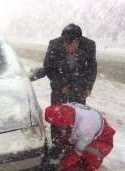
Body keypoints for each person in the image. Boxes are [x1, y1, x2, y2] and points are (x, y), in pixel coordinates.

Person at [43, 23, 98, 158]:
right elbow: (48, 68)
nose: (67, 48)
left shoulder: (89, 45)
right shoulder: (54, 44)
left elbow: (92, 68)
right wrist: (61, 84)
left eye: (70, 45)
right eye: (64, 45)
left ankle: (72, 146)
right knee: (56, 115)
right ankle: (56, 146)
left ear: (77, 41)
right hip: (59, 86)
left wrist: (88, 87)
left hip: (79, 86)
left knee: (77, 117)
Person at [44, 102, 115, 171]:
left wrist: (60, 167)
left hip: (103, 140)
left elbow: (77, 152)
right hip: (88, 130)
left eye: (60, 126)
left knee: (90, 152)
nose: (58, 128)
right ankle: (75, 163)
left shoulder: (85, 128)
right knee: (70, 159)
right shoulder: (66, 109)